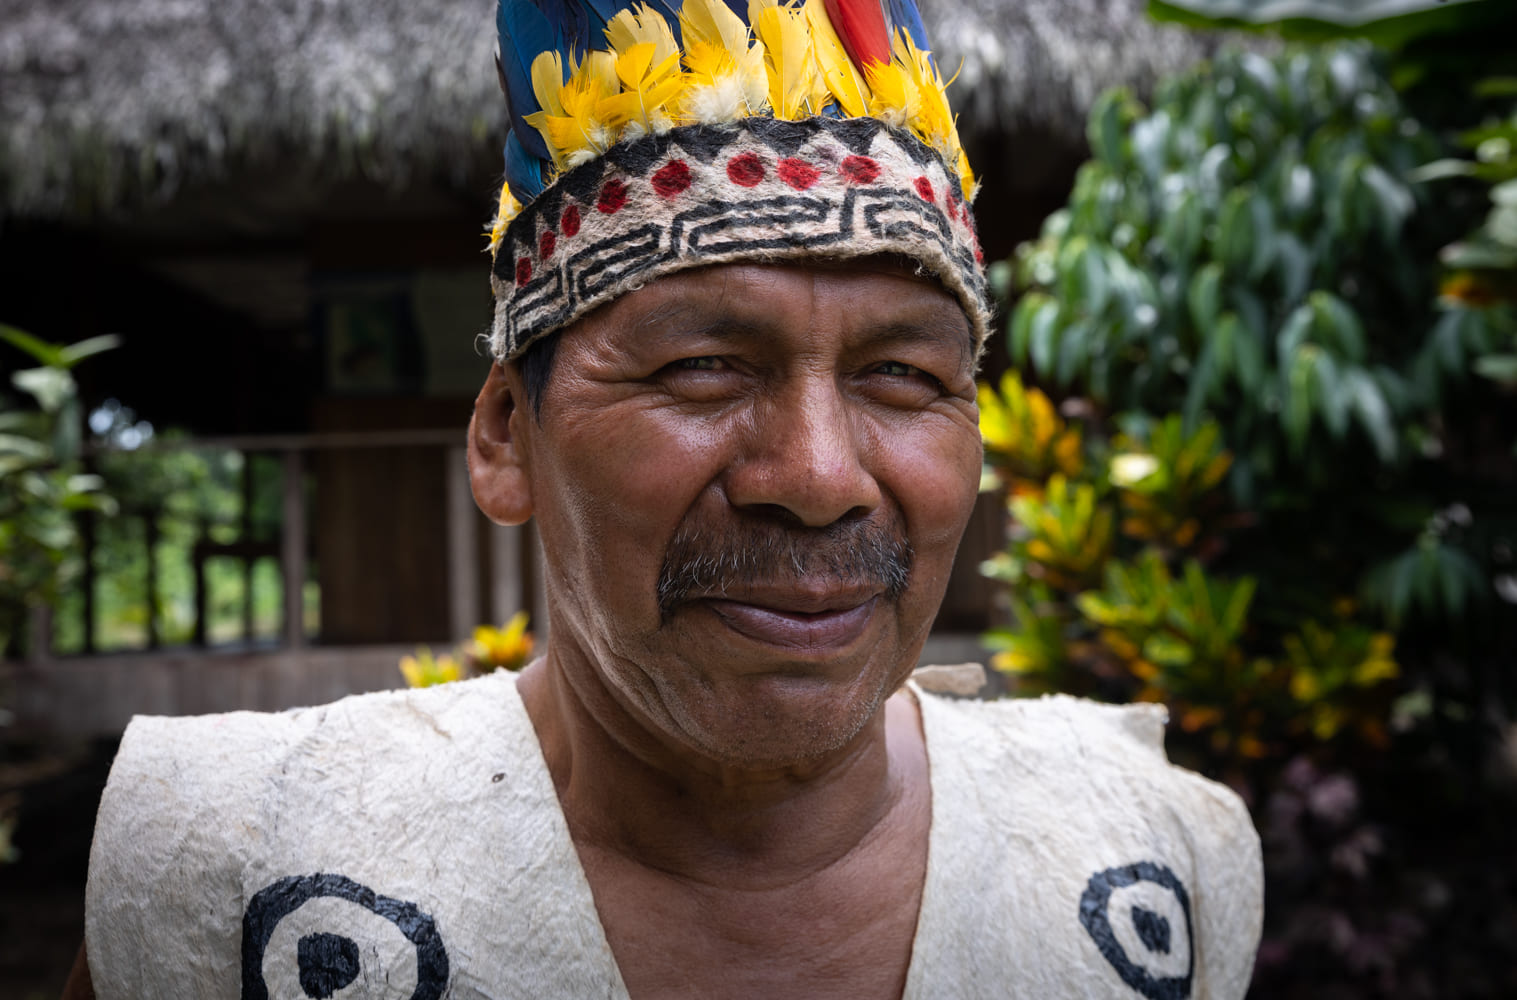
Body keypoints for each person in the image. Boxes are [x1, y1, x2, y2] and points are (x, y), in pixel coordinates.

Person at [68, 1, 1262, 997]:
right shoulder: (220, 862)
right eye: (701, 366)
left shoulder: (1148, 850)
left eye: (902, 375)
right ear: (506, 434)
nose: (818, 479)